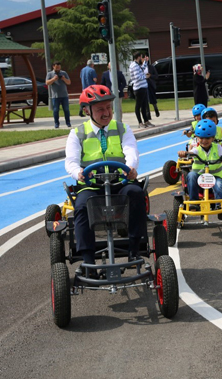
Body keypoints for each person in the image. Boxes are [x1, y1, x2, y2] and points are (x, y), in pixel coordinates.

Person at [64, 85, 145, 275]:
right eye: (100, 109)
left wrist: (131, 168)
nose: (106, 112)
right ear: (87, 110)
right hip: (91, 185)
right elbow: (71, 162)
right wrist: (79, 173)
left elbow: (131, 151)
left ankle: (134, 249)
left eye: (108, 107)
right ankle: (89, 262)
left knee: (136, 194)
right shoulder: (77, 133)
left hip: (120, 183)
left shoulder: (123, 128)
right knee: (82, 206)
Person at [185, 119, 222, 219]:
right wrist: (184, 153)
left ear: (213, 138)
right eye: (201, 138)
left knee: (220, 184)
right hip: (199, 181)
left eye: (207, 138)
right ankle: (194, 202)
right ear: (197, 138)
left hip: (216, 178)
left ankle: (220, 205)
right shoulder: (196, 149)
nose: (204, 141)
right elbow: (191, 153)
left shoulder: (218, 147)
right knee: (191, 175)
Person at [129, 52, 152, 128]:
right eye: (141, 58)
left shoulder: (137, 65)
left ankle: (146, 121)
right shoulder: (134, 66)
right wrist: (146, 77)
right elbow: (137, 77)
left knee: (144, 105)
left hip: (143, 87)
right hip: (139, 88)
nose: (141, 59)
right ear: (138, 57)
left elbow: (142, 69)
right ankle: (140, 122)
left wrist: (146, 62)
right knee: (138, 106)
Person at [46, 61, 72, 129]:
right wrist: (54, 79)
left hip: (64, 95)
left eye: (59, 67)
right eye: (57, 67)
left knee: (66, 109)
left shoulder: (64, 73)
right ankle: (56, 123)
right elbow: (47, 83)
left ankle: (68, 122)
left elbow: (69, 82)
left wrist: (64, 78)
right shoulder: (50, 74)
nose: (58, 69)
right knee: (56, 110)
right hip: (55, 96)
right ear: (53, 66)